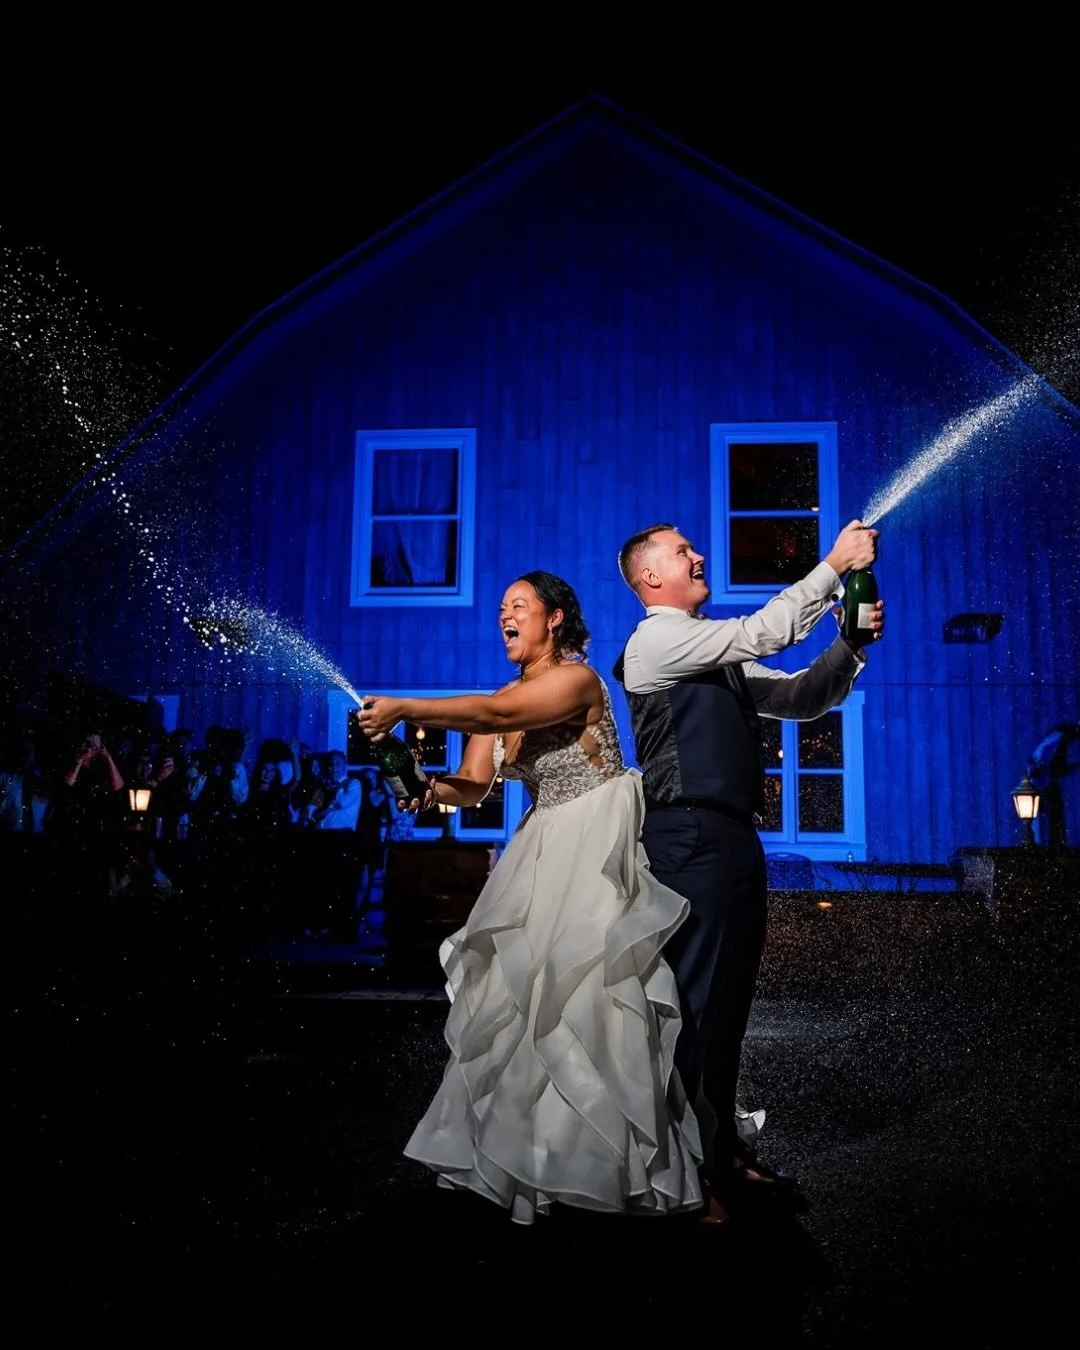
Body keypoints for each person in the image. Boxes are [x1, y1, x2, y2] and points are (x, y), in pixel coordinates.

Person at [358, 571, 708, 1225]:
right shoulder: (499, 700)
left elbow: (497, 717)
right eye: (500, 608)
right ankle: (543, 1155)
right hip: (544, 841)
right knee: (528, 996)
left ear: (555, 618)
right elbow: (472, 785)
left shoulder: (576, 679)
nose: (505, 616)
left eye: (518, 605)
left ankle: (622, 1162)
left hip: (598, 835)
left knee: (596, 991)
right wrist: (426, 789)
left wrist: (405, 706)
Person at [613, 518, 884, 1220]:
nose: (698, 554)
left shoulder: (711, 651)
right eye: (682, 552)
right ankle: (682, 1172)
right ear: (651, 579)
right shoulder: (658, 639)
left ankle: (722, 1152)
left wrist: (848, 646)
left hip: (732, 838)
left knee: (727, 1007)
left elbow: (801, 698)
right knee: (693, 1008)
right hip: (687, 838)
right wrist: (833, 567)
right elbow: (767, 630)